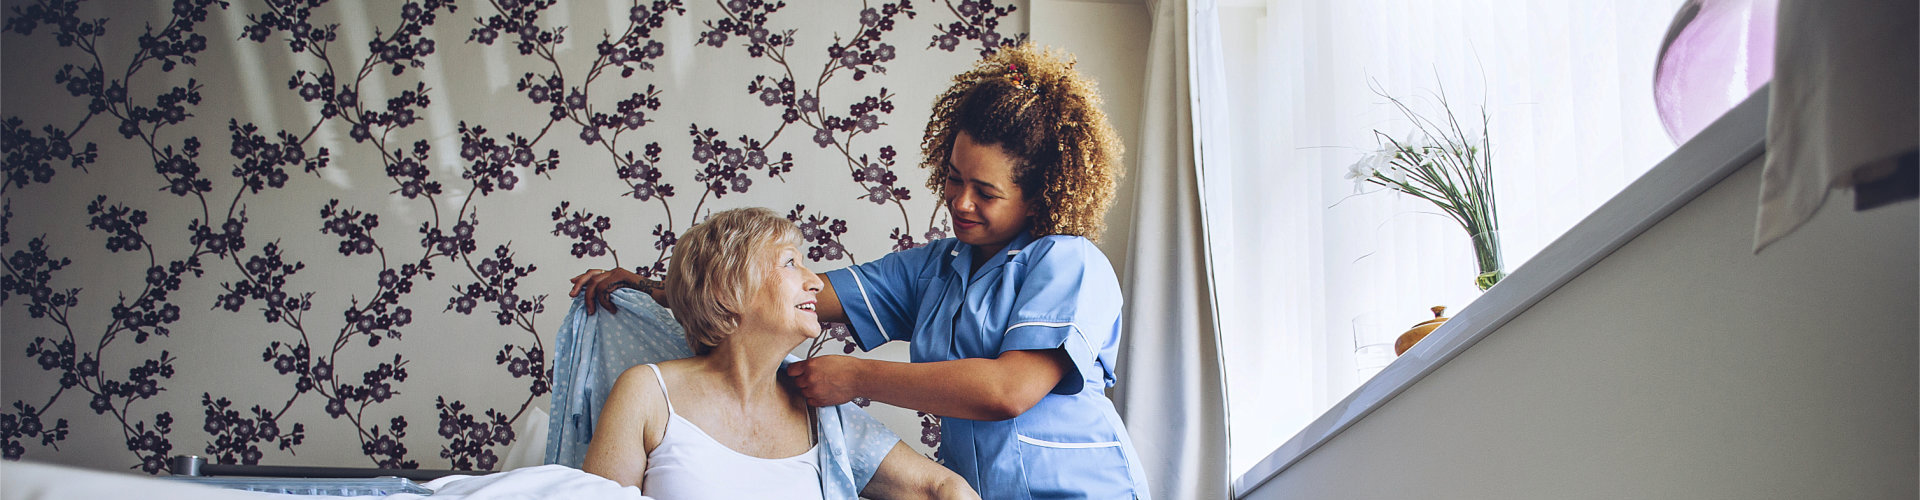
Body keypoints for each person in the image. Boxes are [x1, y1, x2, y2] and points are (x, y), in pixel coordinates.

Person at [573, 43, 1149, 499]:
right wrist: (657, 288)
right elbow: (776, 295)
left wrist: (855, 378)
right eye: (953, 178)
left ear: (1037, 196)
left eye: (985, 191)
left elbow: (1009, 390)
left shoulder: (1069, 263)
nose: (960, 202)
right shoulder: (934, 270)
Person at [578, 207, 976, 500]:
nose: (815, 283)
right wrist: (648, 286)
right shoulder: (647, 393)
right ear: (729, 289)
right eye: (791, 263)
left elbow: (940, 487)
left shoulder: (820, 410)